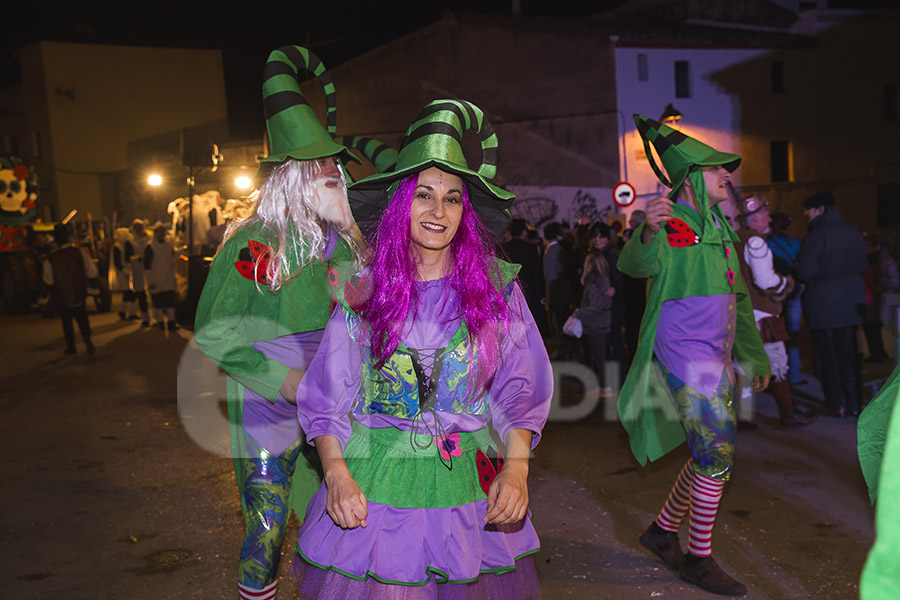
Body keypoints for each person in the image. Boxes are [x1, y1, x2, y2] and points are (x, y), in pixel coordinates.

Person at [290, 98, 552, 600]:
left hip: (469, 493)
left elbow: (524, 387)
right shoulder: (361, 288)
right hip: (379, 488)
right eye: (424, 194)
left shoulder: (497, 288)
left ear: (466, 211)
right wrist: (337, 473)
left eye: (453, 198)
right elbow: (327, 395)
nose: (437, 211)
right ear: (399, 204)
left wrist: (517, 467)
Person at [192, 45, 362, 600]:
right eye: (319, 167)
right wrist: (284, 380)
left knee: (339, 524)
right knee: (265, 532)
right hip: (269, 407)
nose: (333, 174)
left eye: (335, 165)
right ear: (290, 177)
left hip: (337, 409)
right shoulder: (249, 245)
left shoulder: (349, 247)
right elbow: (217, 333)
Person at [617, 115, 770, 596]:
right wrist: (645, 232)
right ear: (690, 179)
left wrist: (755, 357)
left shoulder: (722, 227)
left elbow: (739, 299)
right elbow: (633, 266)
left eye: (727, 169)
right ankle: (698, 559)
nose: (727, 176)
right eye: (717, 170)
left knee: (709, 452)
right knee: (717, 452)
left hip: (717, 360)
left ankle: (662, 531)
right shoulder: (669, 222)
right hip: (684, 360)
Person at [733, 196, 817, 429]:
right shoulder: (756, 243)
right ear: (756, 218)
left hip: (740, 313)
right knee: (777, 361)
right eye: (766, 213)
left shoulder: (733, 240)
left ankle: (743, 417)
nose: (769, 218)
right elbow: (765, 280)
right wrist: (785, 285)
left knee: (743, 365)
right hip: (763, 315)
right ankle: (788, 413)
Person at [796, 191, 868, 418]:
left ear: (820, 210)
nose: (806, 215)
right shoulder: (853, 230)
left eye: (808, 210)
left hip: (824, 304)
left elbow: (805, 271)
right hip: (851, 301)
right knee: (849, 356)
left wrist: (793, 267)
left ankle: (835, 403)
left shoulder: (817, 236)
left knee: (827, 358)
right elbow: (864, 263)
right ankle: (855, 403)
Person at [42, 223, 98, 354]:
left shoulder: (51, 259)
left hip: (62, 296)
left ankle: (71, 346)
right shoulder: (79, 252)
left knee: (66, 322)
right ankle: (87, 339)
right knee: (82, 317)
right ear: (68, 237)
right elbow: (92, 272)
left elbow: (48, 281)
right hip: (79, 292)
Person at [766, 211, 805, 384]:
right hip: (794, 292)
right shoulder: (795, 243)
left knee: (771, 334)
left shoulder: (765, 243)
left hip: (772, 294)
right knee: (793, 334)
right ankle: (794, 374)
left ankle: (775, 375)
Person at [576, 248, 614, 394]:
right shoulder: (604, 280)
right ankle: (605, 385)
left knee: (599, 356)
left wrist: (579, 313)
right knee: (602, 354)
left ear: (590, 265)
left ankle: (605, 387)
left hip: (595, 323)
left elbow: (595, 306)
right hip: (602, 321)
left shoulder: (593, 283)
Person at [502, 217, 548, 337]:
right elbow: (536, 273)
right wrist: (540, 294)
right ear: (524, 232)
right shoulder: (530, 248)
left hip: (509, 290)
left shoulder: (503, 248)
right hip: (529, 290)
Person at [543, 221, 575, 359]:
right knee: (563, 322)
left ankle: (565, 351)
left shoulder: (550, 253)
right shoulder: (562, 250)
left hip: (557, 295)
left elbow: (551, 278)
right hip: (565, 293)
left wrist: (549, 298)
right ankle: (567, 350)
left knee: (559, 324)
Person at [144, 222, 182, 331]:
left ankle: (171, 322)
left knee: (170, 301)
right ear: (155, 233)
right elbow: (147, 266)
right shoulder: (150, 247)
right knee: (158, 302)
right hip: (156, 278)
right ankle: (160, 322)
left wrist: (182, 250)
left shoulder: (168, 245)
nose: (161, 234)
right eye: (159, 232)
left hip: (168, 278)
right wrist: (150, 280)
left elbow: (173, 254)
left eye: (162, 232)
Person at [109, 226, 138, 320]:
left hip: (127, 272)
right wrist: (124, 270)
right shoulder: (117, 247)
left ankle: (124, 312)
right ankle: (130, 313)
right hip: (122, 273)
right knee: (130, 293)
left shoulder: (125, 245)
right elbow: (117, 262)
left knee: (128, 293)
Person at [130, 218, 152, 326]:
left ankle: (159, 318)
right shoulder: (133, 241)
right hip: (138, 270)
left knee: (154, 293)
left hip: (149, 270)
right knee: (141, 295)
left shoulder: (150, 239)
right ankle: (145, 317)